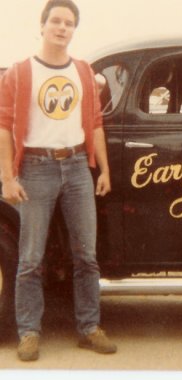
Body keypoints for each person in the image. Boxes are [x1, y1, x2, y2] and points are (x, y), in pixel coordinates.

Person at [0, 0, 117, 361]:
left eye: (69, 23)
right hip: (36, 167)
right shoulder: (19, 72)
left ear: (73, 30)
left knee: (86, 255)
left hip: (78, 166)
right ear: (42, 25)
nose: (62, 27)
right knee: (30, 258)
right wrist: (7, 177)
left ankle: (88, 327)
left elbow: (95, 122)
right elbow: (3, 126)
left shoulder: (83, 71)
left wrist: (103, 170)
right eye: (56, 21)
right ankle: (29, 333)